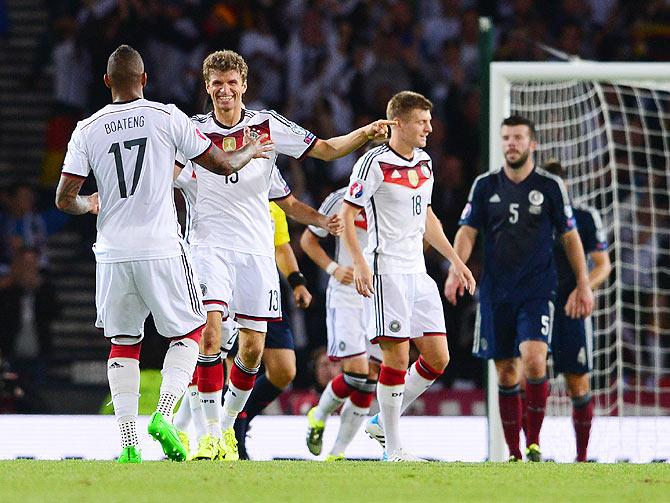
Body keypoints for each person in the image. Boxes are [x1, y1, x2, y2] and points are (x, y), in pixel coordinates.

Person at [54, 44, 273, 464]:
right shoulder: (166, 116)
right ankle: (163, 414)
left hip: (112, 252)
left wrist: (90, 204)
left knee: (123, 344)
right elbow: (224, 164)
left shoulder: (87, 128)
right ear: (145, 81)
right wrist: (250, 151)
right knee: (191, 333)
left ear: (106, 83)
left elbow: (65, 198)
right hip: (160, 246)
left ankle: (129, 446)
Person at [183, 49, 394, 460]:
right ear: (207, 88)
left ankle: (226, 428)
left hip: (256, 253)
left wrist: (364, 133)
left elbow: (327, 151)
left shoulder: (267, 127)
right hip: (207, 247)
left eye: (231, 83)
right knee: (209, 336)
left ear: (244, 85)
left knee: (253, 351)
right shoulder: (190, 131)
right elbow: (158, 170)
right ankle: (208, 436)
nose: (224, 91)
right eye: (217, 84)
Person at [444, 115, 594, 462]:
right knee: (507, 371)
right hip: (496, 293)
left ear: (532, 144)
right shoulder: (485, 186)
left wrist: (584, 284)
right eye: (507, 138)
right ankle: (514, 452)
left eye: (518, 138)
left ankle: (534, 442)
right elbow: (468, 231)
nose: (511, 143)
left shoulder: (550, 187)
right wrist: (457, 266)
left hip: (538, 291)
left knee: (534, 359)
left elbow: (570, 237)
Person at [340, 91, 476, 462]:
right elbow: (348, 216)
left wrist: (454, 261)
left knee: (437, 358)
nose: (429, 128)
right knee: (396, 359)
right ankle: (393, 449)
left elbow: (427, 217)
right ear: (398, 123)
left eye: (430, 121)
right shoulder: (374, 163)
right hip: (387, 272)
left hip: (418, 272)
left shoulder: (426, 163)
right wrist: (360, 262)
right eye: (422, 121)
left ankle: (382, 423)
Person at [300, 186, 383, 461]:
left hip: (380, 295)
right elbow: (308, 240)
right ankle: (319, 414)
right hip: (347, 295)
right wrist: (334, 269)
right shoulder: (341, 197)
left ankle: (338, 451)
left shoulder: (397, 195)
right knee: (356, 372)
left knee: (371, 376)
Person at [536, 160, 611, 462]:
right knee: (531, 372)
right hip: (537, 304)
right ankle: (531, 449)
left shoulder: (584, 217)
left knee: (577, 381)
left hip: (572, 309)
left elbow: (603, 264)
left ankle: (582, 457)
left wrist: (584, 289)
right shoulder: (533, 218)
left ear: (564, 186)